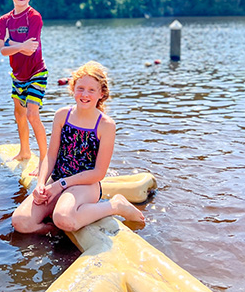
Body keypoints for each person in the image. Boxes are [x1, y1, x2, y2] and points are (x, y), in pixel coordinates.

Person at [11, 61, 145, 234]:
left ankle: (115, 205)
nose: (84, 94)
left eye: (91, 90)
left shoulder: (106, 125)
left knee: (64, 217)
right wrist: (41, 184)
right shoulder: (62, 115)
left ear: (101, 94)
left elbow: (98, 173)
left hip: (86, 185)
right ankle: (59, 226)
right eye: (80, 88)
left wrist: (61, 185)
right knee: (20, 222)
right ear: (73, 89)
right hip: (57, 180)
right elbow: (50, 157)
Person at [0, 0, 48, 166]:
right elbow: (3, 51)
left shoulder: (34, 17)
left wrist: (12, 43)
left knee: (32, 115)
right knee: (19, 114)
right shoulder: (5, 20)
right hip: (17, 76)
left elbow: (30, 50)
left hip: (36, 72)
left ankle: (45, 160)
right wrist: (18, 45)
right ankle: (25, 151)